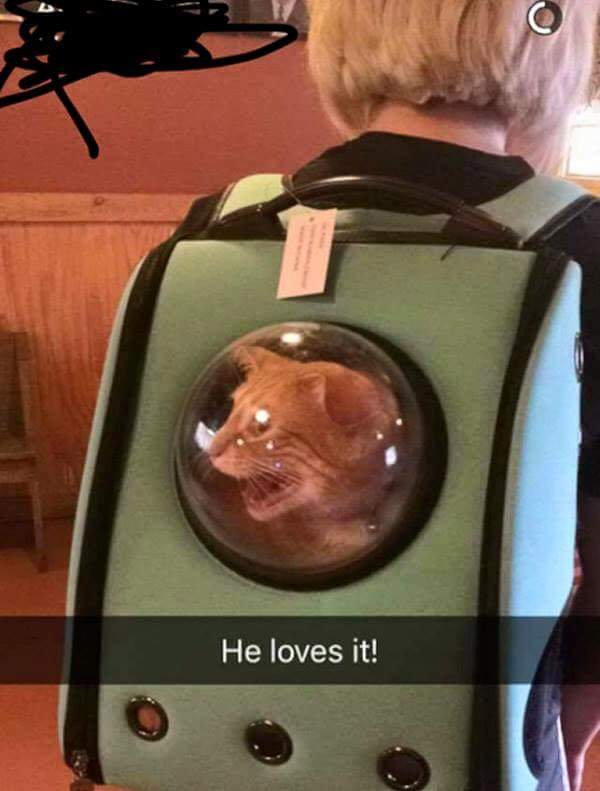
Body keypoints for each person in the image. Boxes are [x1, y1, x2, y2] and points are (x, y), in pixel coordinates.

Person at [186, 0, 600, 787]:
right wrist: (569, 730)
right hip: (470, 718)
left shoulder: (221, 226)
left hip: (242, 699)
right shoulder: (579, 242)